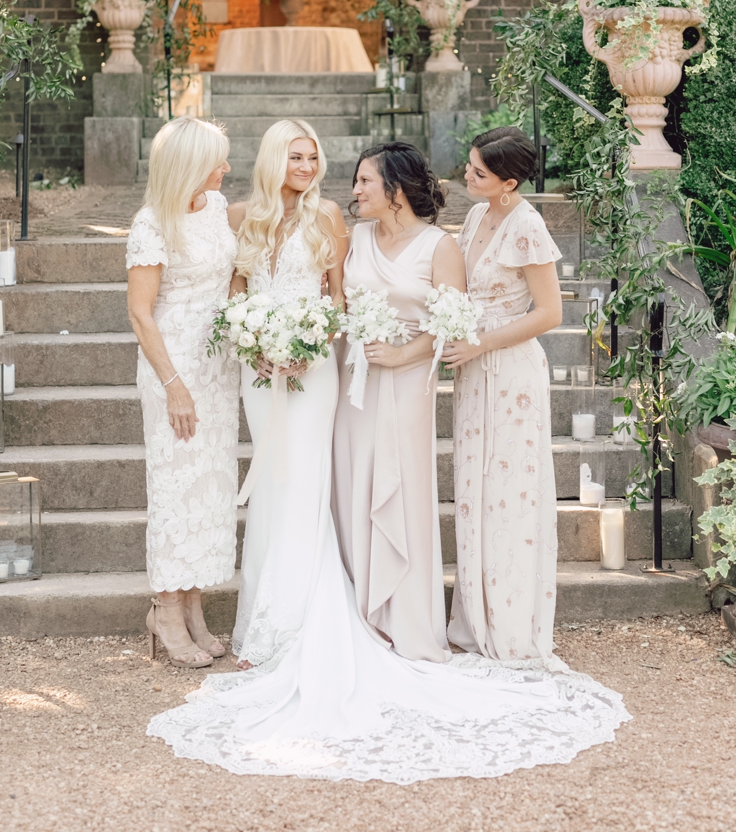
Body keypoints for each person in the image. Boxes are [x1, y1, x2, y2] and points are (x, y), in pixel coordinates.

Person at [147, 130, 630, 783]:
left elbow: (394, 310)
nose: (338, 180)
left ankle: (402, 618)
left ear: (394, 189)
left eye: (356, 177)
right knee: (314, 489)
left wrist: (350, 347)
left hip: (375, 375)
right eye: (300, 156)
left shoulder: (413, 238)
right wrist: (257, 335)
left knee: (365, 486)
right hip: (330, 375)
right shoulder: (279, 222)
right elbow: (247, 283)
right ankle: (282, 620)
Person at [332, 142, 463, 662]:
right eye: (357, 181)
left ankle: (405, 616)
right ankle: (359, 612)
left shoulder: (439, 247)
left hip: (409, 384)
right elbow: (335, 303)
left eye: (366, 181)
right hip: (354, 386)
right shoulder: (355, 238)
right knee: (353, 484)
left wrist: (402, 353)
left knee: (402, 490)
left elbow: (451, 324)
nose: (356, 191)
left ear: (397, 191)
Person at [225, 120, 349, 670]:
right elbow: (234, 294)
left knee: (303, 480)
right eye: (296, 157)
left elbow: (338, 301)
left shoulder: (328, 216)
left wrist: (309, 346)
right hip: (256, 369)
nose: (306, 167)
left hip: (311, 368)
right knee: (275, 480)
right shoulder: (240, 218)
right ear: (275, 160)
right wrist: (250, 345)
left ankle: (298, 622)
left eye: (312, 158)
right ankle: (262, 619)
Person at [444, 127, 566, 665]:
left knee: (510, 491)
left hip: (510, 371)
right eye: (469, 166)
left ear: (508, 182)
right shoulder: (475, 216)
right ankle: (475, 612)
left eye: (477, 172)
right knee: (475, 487)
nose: (466, 176)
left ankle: (511, 621)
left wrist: (480, 343)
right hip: (473, 372)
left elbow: (550, 314)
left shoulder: (527, 226)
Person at [125, 116, 238, 669]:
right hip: (174, 367)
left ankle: (193, 606)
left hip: (219, 366)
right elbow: (141, 315)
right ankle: (165, 612)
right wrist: (174, 386)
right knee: (175, 487)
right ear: (191, 165)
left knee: (208, 487)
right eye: (219, 159)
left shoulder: (216, 209)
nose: (227, 168)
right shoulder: (151, 224)